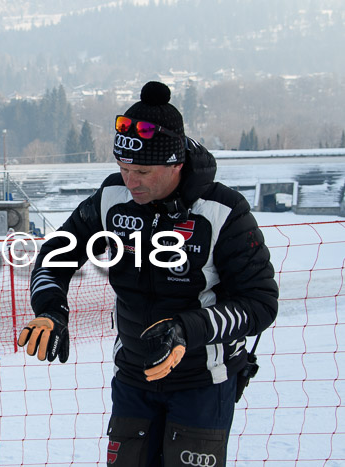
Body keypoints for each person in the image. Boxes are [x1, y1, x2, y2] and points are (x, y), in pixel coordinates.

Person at [17, 81, 279, 466]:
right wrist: (50, 308)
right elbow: (56, 254)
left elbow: (260, 304)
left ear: (176, 164)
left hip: (202, 381)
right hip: (133, 378)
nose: (130, 181)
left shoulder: (223, 211)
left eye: (142, 170)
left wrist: (186, 329)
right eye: (122, 168)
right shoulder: (111, 198)